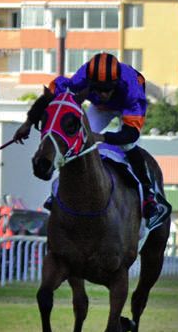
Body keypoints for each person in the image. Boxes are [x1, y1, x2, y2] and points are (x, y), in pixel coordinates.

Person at [15, 52, 168, 229]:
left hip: (126, 108)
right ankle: (58, 189)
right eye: (98, 89)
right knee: (77, 141)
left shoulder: (133, 89)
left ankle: (148, 194)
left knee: (127, 145)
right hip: (100, 110)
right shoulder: (81, 77)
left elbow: (130, 134)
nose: (103, 94)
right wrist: (28, 123)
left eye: (107, 89)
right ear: (90, 83)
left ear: (116, 83)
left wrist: (101, 137)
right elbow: (50, 96)